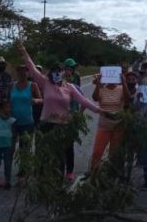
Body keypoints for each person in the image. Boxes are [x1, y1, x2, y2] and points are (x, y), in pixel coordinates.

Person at [17, 42, 109, 181]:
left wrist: (99, 110)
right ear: (50, 73)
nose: (56, 74)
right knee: (44, 154)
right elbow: (31, 66)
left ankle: (58, 182)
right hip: (46, 125)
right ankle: (42, 182)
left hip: (63, 126)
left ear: (63, 73)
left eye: (59, 72)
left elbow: (83, 101)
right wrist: (23, 51)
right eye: (54, 72)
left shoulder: (70, 87)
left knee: (60, 157)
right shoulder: (45, 83)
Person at [89, 73, 129, 171]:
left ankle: (111, 174)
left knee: (114, 154)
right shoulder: (102, 88)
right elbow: (94, 98)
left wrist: (124, 82)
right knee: (97, 152)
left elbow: (127, 99)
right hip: (104, 125)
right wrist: (98, 84)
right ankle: (93, 173)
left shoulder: (120, 88)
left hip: (118, 125)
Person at [0, 100, 16, 190]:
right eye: (6, 107)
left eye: (9, 107)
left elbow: (14, 135)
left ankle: (8, 181)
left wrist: (13, 145)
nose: (8, 109)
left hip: (8, 145)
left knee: (7, 164)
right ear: (1, 109)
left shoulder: (12, 121)